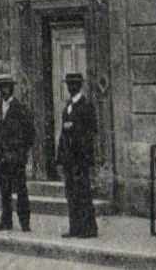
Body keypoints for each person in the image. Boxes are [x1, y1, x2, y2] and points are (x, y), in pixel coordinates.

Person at [0, 72, 35, 232]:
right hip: (1, 157)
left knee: (21, 190)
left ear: (12, 89)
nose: (5, 90)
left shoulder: (21, 109)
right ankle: (6, 221)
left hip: (16, 158)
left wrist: (21, 153)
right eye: (2, 87)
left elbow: (30, 134)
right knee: (4, 191)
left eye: (7, 87)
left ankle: (25, 223)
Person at [56, 71, 98, 238]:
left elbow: (91, 131)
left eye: (74, 84)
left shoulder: (86, 105)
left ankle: (89, 229)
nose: (70, 86)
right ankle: (75, 227)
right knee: (71, 193)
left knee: (83, 193)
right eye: (68, 84)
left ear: (80, 85)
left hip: (80, 158)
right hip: (69, 158)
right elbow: (63, 134)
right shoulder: (68, 105)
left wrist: (74, 128)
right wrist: (61, 157)